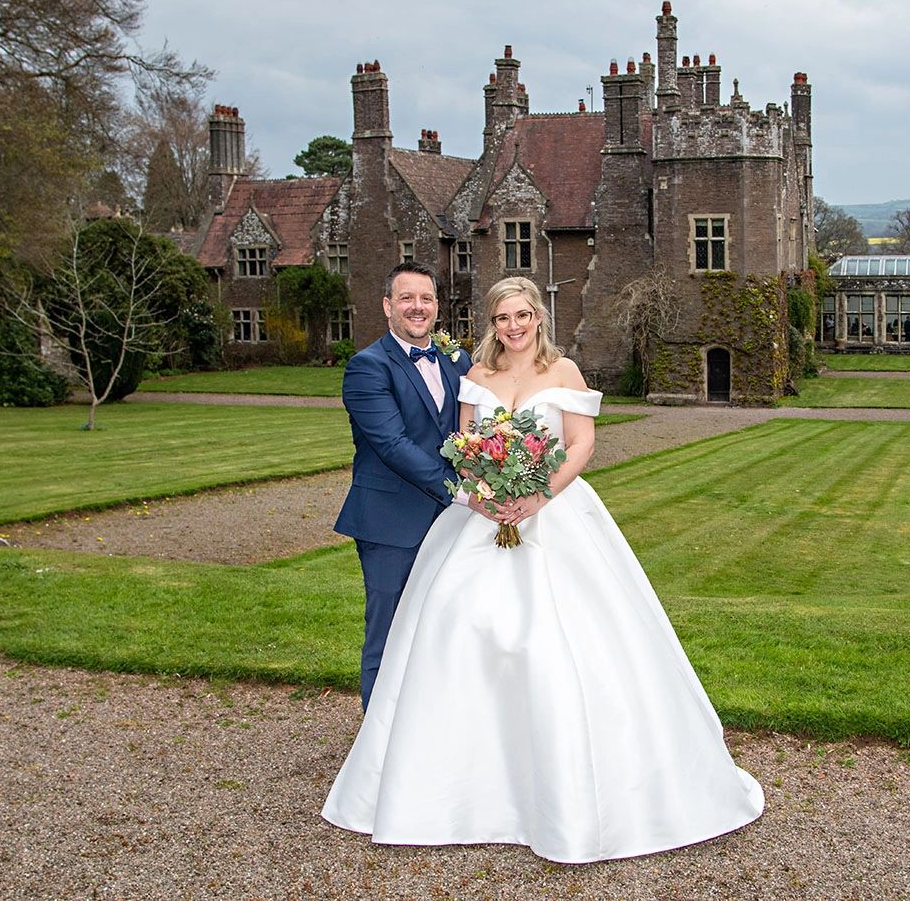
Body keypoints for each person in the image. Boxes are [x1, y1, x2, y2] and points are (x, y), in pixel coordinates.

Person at [323, 276, 763, 863]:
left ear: (538, 317)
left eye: (523, 315)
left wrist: (538, 496)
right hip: (479, 514)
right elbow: (461, 442)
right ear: (491, 322)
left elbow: (580, 444)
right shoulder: (472, 377)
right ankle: (441, 771)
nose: (514, 326)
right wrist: (486, 491)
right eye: (503, 317)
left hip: (554, 515)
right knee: (451, 631)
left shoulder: (565, 373)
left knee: (568, 642)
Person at [333, 261, 475, 710]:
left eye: (427, 298)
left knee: (447, 629)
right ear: (387, 305)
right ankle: (377, 747)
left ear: (437, 306)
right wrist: (462, 490)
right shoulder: (367, 367)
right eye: (407, 298)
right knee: (389, 631)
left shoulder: (458, 361)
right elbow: (393, 444)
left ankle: (428, 728)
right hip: (390, 524)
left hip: (455, 525)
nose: (418, 307)